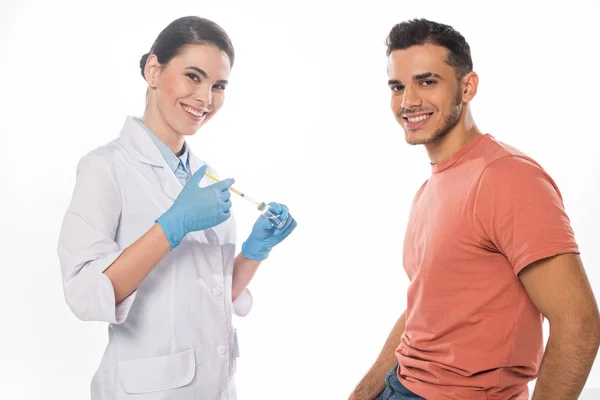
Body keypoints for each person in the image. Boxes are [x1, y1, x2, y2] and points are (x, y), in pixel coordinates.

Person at [349, 19, 600, 400]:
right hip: (397, 386)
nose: (408, 101)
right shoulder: (431, 187)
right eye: (397, 86)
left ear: (467, 87)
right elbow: (423, 312)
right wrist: (363, 393)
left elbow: (579, 325)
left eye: (427, 81)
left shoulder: (507, 177)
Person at [57, 16, 297, 400]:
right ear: (154, 70)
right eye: (193, 76)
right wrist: (170, 227)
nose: (205, 98)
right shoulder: (105, 167)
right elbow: (84, 293)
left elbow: (209, 291)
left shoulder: (207, 176)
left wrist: (255, 252)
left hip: (217, 386)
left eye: (218, 86)